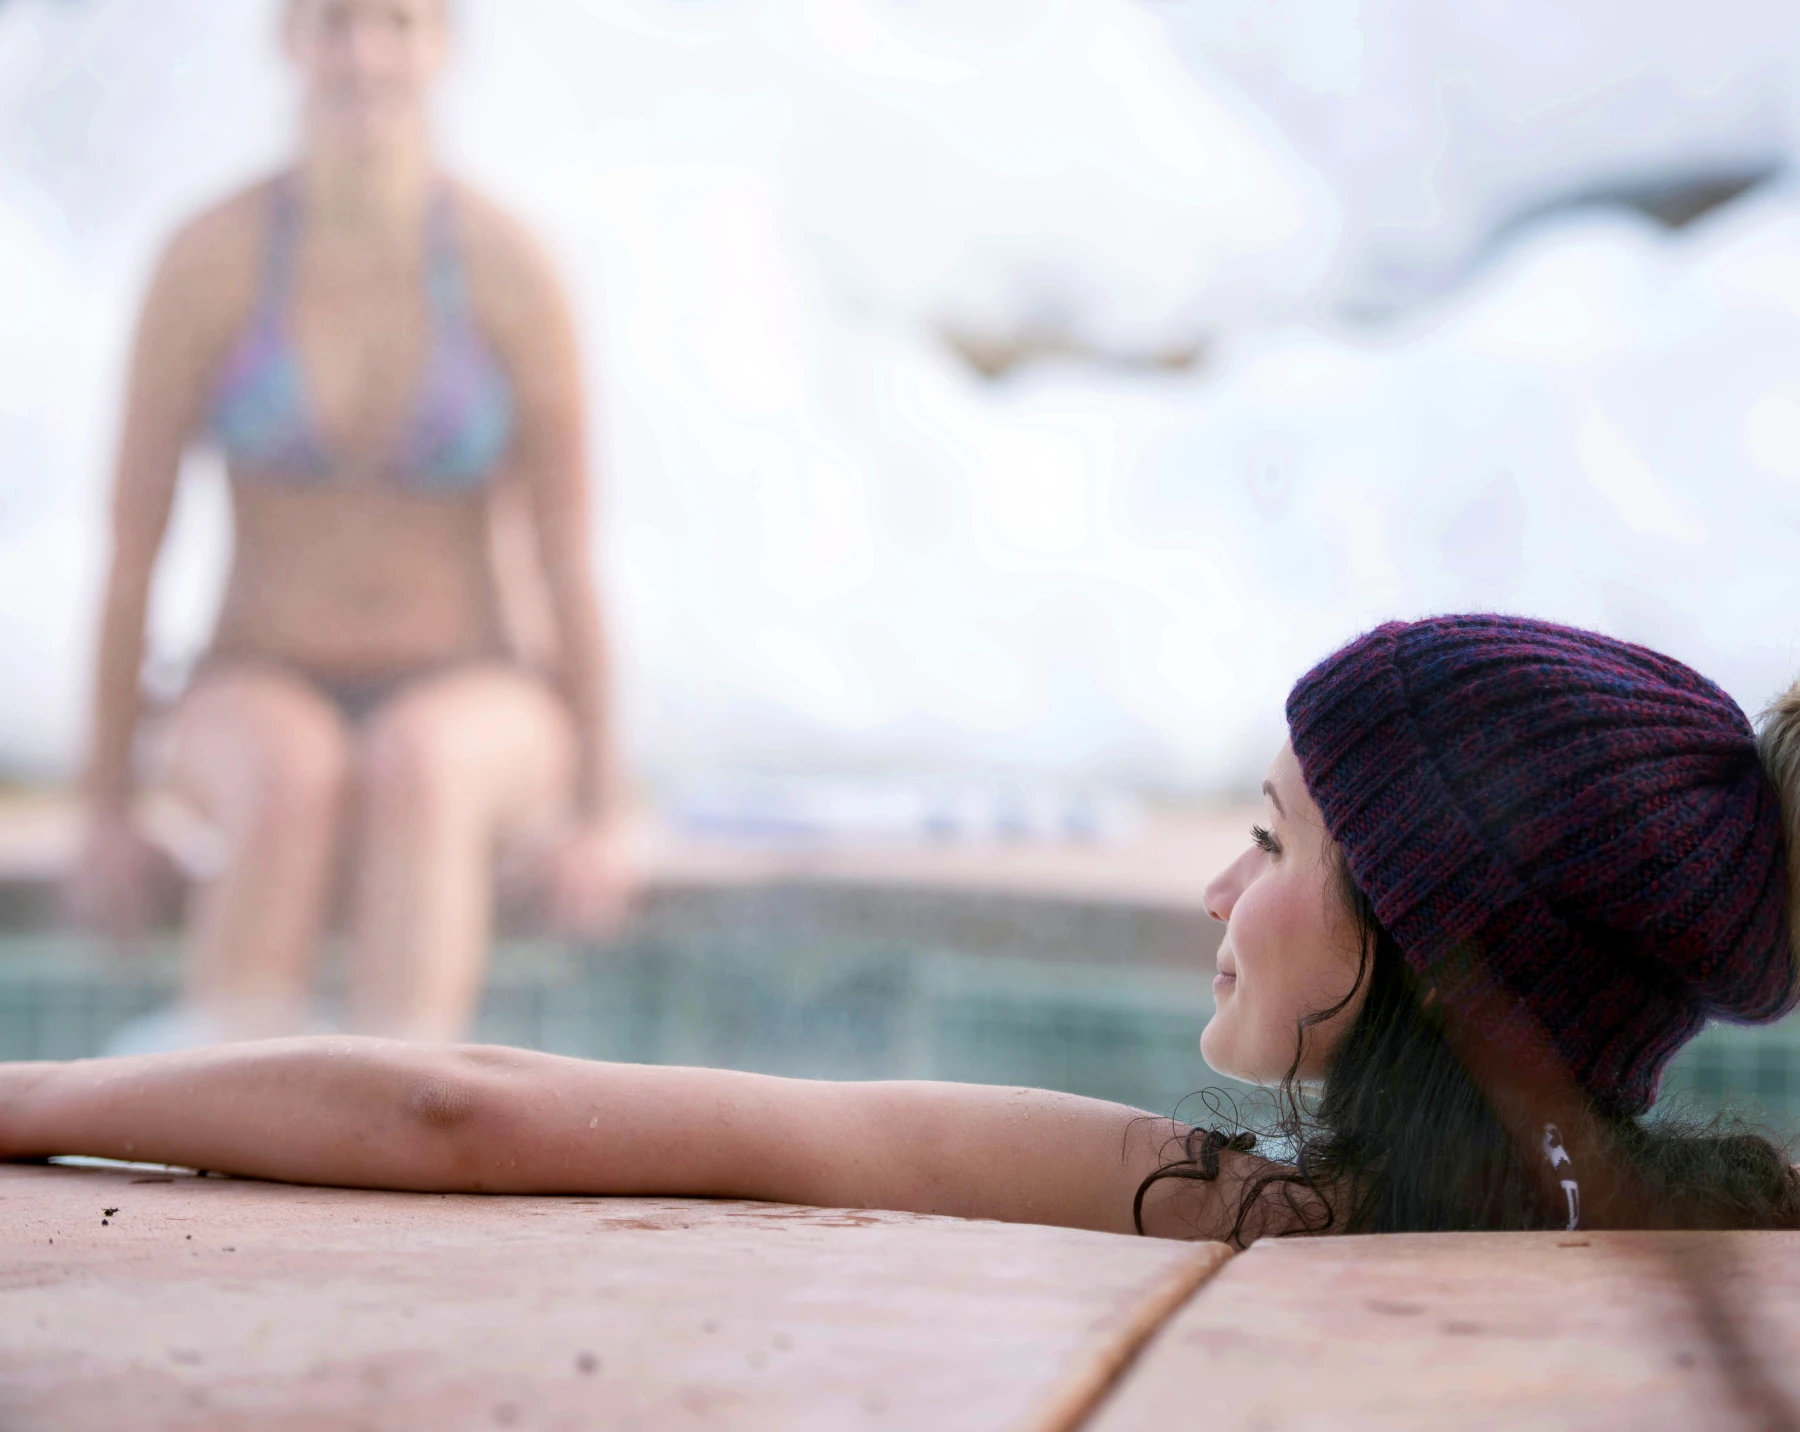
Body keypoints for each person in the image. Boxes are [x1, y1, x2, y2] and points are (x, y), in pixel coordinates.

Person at [23, 617, 1800, 1241]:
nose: (1214, 890)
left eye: (1269, 844)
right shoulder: (1723, 1232)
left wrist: (25, 1099)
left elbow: (460, 1110)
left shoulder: (1221, 1205)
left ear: (1431, 946)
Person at [66, 0, 629, 1047]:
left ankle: (404, 1123)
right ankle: (217, 1133)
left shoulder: (509, 268)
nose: (364, 52)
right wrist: (104, 812)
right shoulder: (209, 261)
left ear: (443, 47)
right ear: (288, 40)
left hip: (471, 677)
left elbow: (570, 559)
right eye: (334, 21)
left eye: (398, 22)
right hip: (257, 674)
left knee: (420, 766)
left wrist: (600, 819)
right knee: (293, 773)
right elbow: (132, 550)